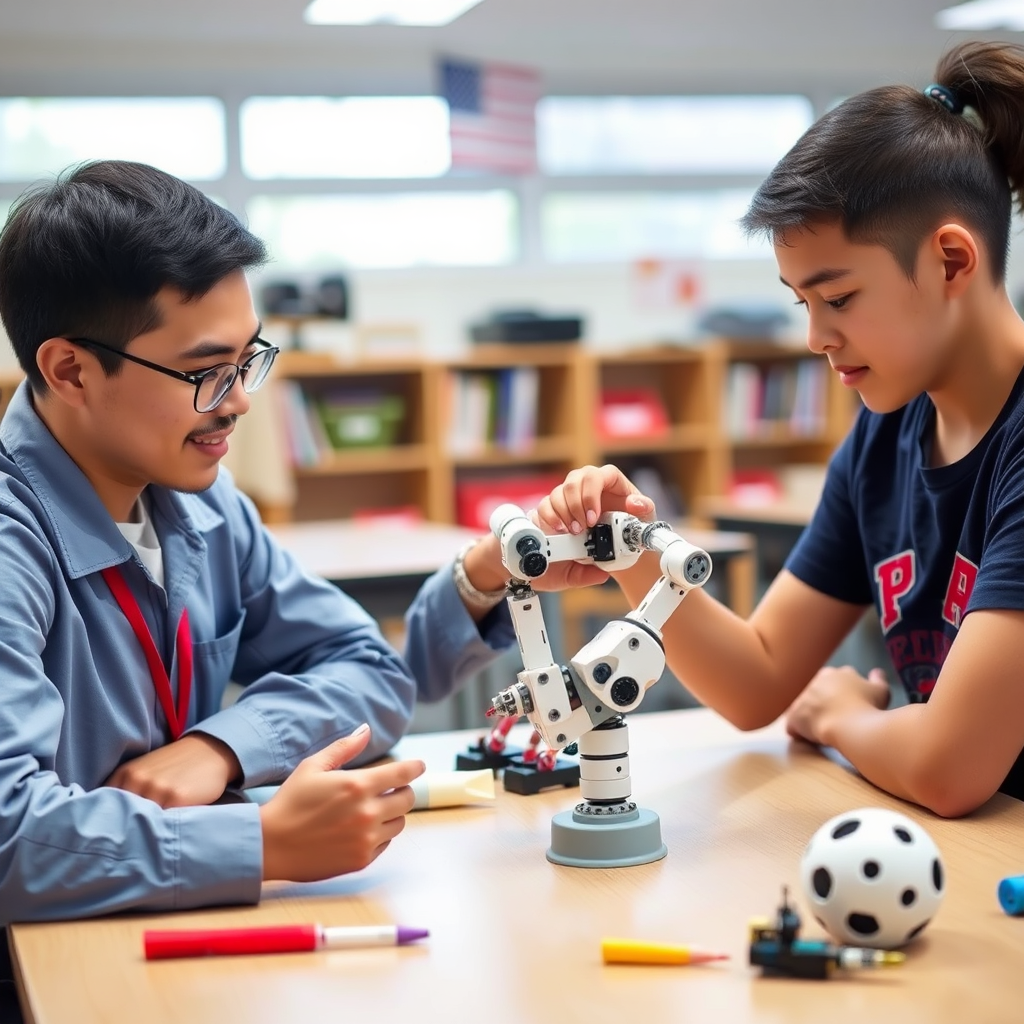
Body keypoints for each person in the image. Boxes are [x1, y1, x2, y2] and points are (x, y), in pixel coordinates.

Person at [0, 158, 565, 928]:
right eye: (205, 373)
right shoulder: (12, 549)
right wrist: (259, 843)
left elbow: (368, 672)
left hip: (176, 927)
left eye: (248, 360)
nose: (237, 403)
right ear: (70, 370)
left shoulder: (202, 504)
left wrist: (222, 749)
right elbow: (10, 838)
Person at [537, 40, 1024, 819]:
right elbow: (757, 678)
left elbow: (949, 767)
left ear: (953, 262)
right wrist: (632, 546)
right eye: (803, 303)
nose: (815, 338)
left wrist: (840, 716)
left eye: (838, 298)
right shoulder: (886, 436)